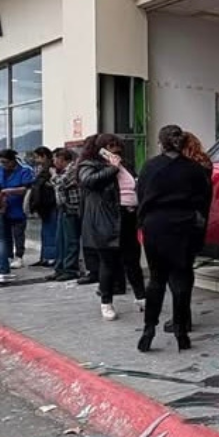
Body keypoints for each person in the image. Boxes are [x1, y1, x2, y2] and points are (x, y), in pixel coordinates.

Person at [136, 126, 213, 352]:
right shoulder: (194, 170)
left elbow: (141, 197)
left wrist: (142, 223)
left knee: (156, 280)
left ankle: (148, 329)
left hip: (156, 226)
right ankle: (181, 332)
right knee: (182, 280)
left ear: (161, 144)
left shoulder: (150, 167)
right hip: (184, 227)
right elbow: (204, 202)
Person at [77, 134, 145, 321]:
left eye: (117, 145)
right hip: (107, 221)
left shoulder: (126, 165)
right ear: (101, 149)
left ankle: (141, 298)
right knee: (109, 264)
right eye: (110, 146)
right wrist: (112, 168)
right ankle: (106, 302)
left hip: (129, 217)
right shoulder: (89, 165)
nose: (116, 149)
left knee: (132, 261)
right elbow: (88, 181)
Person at [0, 149, 34, 262]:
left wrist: (8, 191)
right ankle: (8, 255)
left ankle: (19, 256)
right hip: (3, 207)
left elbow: (26, 189)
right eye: (1, 162)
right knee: (5, 234)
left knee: (18, 234)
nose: (3, 165)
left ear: (13, 161)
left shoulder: (24, 171)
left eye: (5, 162)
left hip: (18, 207)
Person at [49, 147, 81, 282]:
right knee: (60, 241)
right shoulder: (63, 171)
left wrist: (53, 175)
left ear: (63, 159)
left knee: (70, 241)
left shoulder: (73, 169)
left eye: (55, 158)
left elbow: (61, 183)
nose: (54, 162)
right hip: (63, 208)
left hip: (72, 208)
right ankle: (60, 268)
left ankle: (70, 269)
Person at [27, 147, 58, 268]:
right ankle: (45, 257)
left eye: (37, 157)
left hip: (49, 204)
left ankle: (51, 257)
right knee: (45, 232)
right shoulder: (41, 169)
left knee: (50, 232)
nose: (36, 160)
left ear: (44, 156)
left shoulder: (51, 169)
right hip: (44, 205)